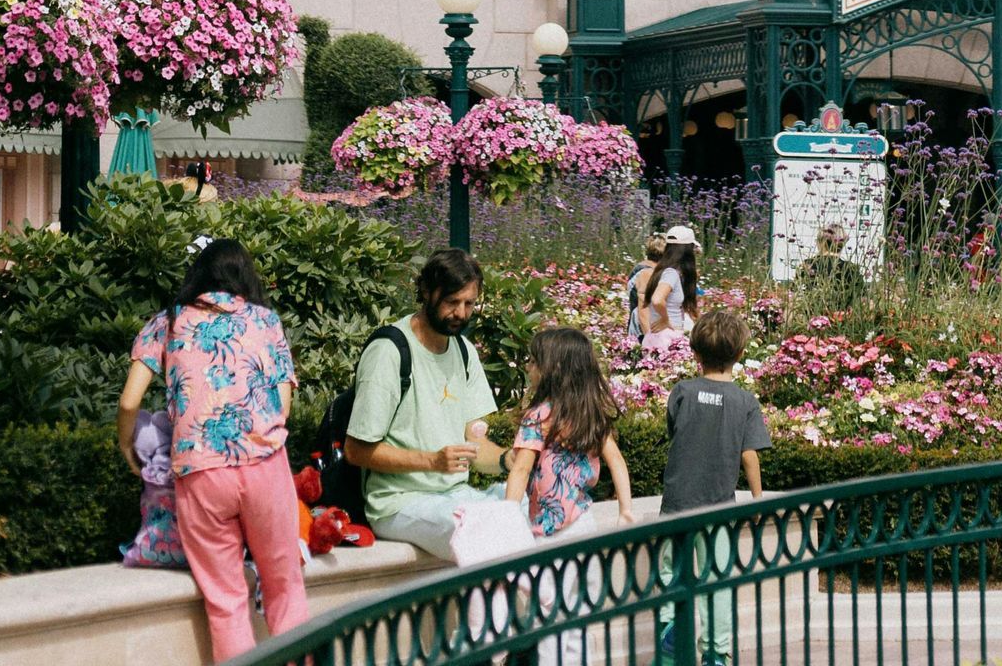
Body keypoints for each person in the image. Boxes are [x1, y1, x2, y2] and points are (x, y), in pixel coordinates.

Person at [117, 236, 308, 662]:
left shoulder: (165, 322)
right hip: (263, 466)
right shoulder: (265, 321)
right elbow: (284, 404)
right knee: (284, 587)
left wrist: (127, 445)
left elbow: (130, 401)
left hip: (201, 474)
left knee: (225, 602)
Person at [345, 246, 502, 559]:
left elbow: (476, 446)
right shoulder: (389, 351)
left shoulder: (463, 350)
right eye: (451, 302)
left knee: (527, 507)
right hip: (398, 503)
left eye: (469, 303)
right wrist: (432, 461)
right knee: (477, 532)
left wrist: (513, 460)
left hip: (454, 497)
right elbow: (356, 450)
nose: (461, 313)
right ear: (427, 292)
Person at [658, 306, 768, 666]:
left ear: (695, 351)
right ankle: (716, 653)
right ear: (739, 354)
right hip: (719, 507)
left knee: (671, 570)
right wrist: (756, 499)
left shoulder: (682, 392)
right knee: (716, 578)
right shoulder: (745, 402)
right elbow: (749, 456)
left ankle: (670, 628)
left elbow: (674, 431)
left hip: (677, 501)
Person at [506, 327, 635, 538]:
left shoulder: (539, 416)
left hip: (546, 531)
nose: (528, 367)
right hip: (583, 523)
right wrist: (626, 510)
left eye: (534, 361)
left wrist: (508, 516)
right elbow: (617, 461)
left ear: (552, 368)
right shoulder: (589, 415)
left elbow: (521, 470)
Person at [636, 227, 701, 354]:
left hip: (656, 337)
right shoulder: (671, 273)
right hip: (668, 339)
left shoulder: (661, 271)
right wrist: (665, 319)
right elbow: (657, 299)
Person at [790, 220, 867, 315]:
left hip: (811, 322)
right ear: (842, 244)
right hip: (843, 323)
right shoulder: (851, 268)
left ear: (819, 242)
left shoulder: (808, 266)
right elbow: (864, 302)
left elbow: (794, 301)